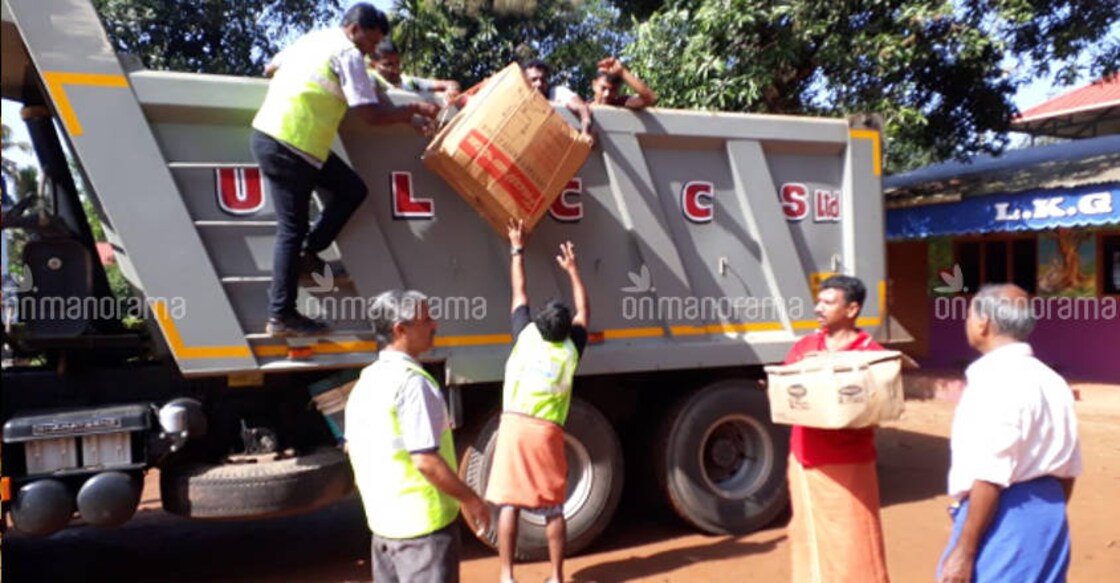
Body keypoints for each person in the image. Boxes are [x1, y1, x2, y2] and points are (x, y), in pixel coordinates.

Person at [251, 3, 440, 337]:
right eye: (371, 42)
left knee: (351, 190)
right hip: (290, 144)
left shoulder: (313, 40)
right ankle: (281, 314)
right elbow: (370, 115)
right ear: (355, 29)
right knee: (291, 230)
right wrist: (410, 110)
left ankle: (310, 251)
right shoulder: (347, 53)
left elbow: (270, 67)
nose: (370, 50)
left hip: (292, 142)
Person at [937, 284, 1082, 583]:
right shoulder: (1052, 381)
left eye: (969, 314)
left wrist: (965, 550)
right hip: (1049, 516)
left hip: (1003, 518)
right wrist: (1044, 516)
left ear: (983, 323)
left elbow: (990, 473)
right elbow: (1069, 467)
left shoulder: (995, 381)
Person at [345, 289, 492, 583]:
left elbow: (351, 446)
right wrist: (472, 500)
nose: (434, 325)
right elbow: (425, 461)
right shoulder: (412, 384)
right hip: (423, 530)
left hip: (384, 527)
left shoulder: (367, 380)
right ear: (400, 330)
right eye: (425, 320)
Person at [486, 219, 589, 583]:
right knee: (553, 507)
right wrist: (573, 270)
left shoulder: (526, 337)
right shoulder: (570, 351)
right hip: (547, 433)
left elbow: (519, 291)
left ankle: (507, 576)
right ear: (565, 330)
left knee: (510, 503)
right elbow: (584, 311)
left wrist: (517, 248)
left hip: (514, 428)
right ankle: (557, 576)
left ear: (541, 323)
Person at [783, 275, 891, 583]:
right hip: (804, 461)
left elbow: (879, 410)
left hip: (848, 464)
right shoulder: (804, 347)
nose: (819, 308)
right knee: (807, 538)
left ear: (852, 309)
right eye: (818, 301)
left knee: (854, 544)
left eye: (828, 303)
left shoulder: (871, 355)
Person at [521, 59, 594, 144]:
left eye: (543, 79)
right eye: (534, 80)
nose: (539, 83)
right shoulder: (518, 104)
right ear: (524, 81)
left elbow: (582, 108)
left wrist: (585, 132)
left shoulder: (558, 93)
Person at [368, 38, 461, 101]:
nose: (395, 69)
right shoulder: (371, 81)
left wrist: (452, 90)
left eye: (397, 63)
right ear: (373, 65)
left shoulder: (409, 83)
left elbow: (451, 84)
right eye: (388, 65)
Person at [591, 56, 657, 109]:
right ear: (594, 85)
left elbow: (650, 98)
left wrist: (622, 72)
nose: (607, 94)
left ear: (617, 90)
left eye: (612, 90)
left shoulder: (620, 104)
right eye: (603, 88)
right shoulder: (586, 108)